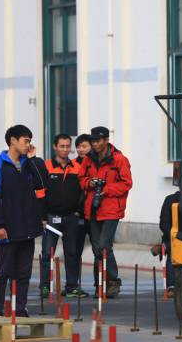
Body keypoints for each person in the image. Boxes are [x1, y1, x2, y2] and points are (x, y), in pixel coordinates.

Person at [0, 125, 48, 317]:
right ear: (12, 140)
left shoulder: (29, 164)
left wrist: (33, 160)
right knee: (3, 272)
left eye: (29, 141)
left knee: (24, 273)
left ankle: (20, 308)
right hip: (7, 230)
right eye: (25, 141)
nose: (28, 145)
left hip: (27, 229)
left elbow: (42, 183)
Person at [79, 126, 132, 298]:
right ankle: (100, 284)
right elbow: (81, 178)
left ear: (106, 140)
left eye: (98, 140)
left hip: (111, 209)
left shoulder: (119, 159)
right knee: (97, 249)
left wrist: (106, 189)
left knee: (104, 246)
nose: (95, 144)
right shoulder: (88, 159)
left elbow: (127, 183)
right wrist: (90, 183)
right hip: (93, 208)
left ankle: (113, 281)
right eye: (93, 141)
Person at [40, 134, 88, 298]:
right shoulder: (46, 166)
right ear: (55, 147)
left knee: (72, 253)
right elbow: (40, 193)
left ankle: (72, 287)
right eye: (62, 146)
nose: (65, 149)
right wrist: (42, 216)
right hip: (51, 217)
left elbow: (84, 191)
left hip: (71, 217)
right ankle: (45, 287)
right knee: (47, 253)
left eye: (68, 146)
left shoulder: (77, 167)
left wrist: (78, 211)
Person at [73, 134, 92, 288]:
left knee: (99, 249)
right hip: (77, 214)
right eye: (78, 146)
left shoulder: (96, 164)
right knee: (75, 250)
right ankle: (73, 284)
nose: (81, 149)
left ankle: (100, 284)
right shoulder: (72, 165)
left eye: (84, 146)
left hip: (94, 214)